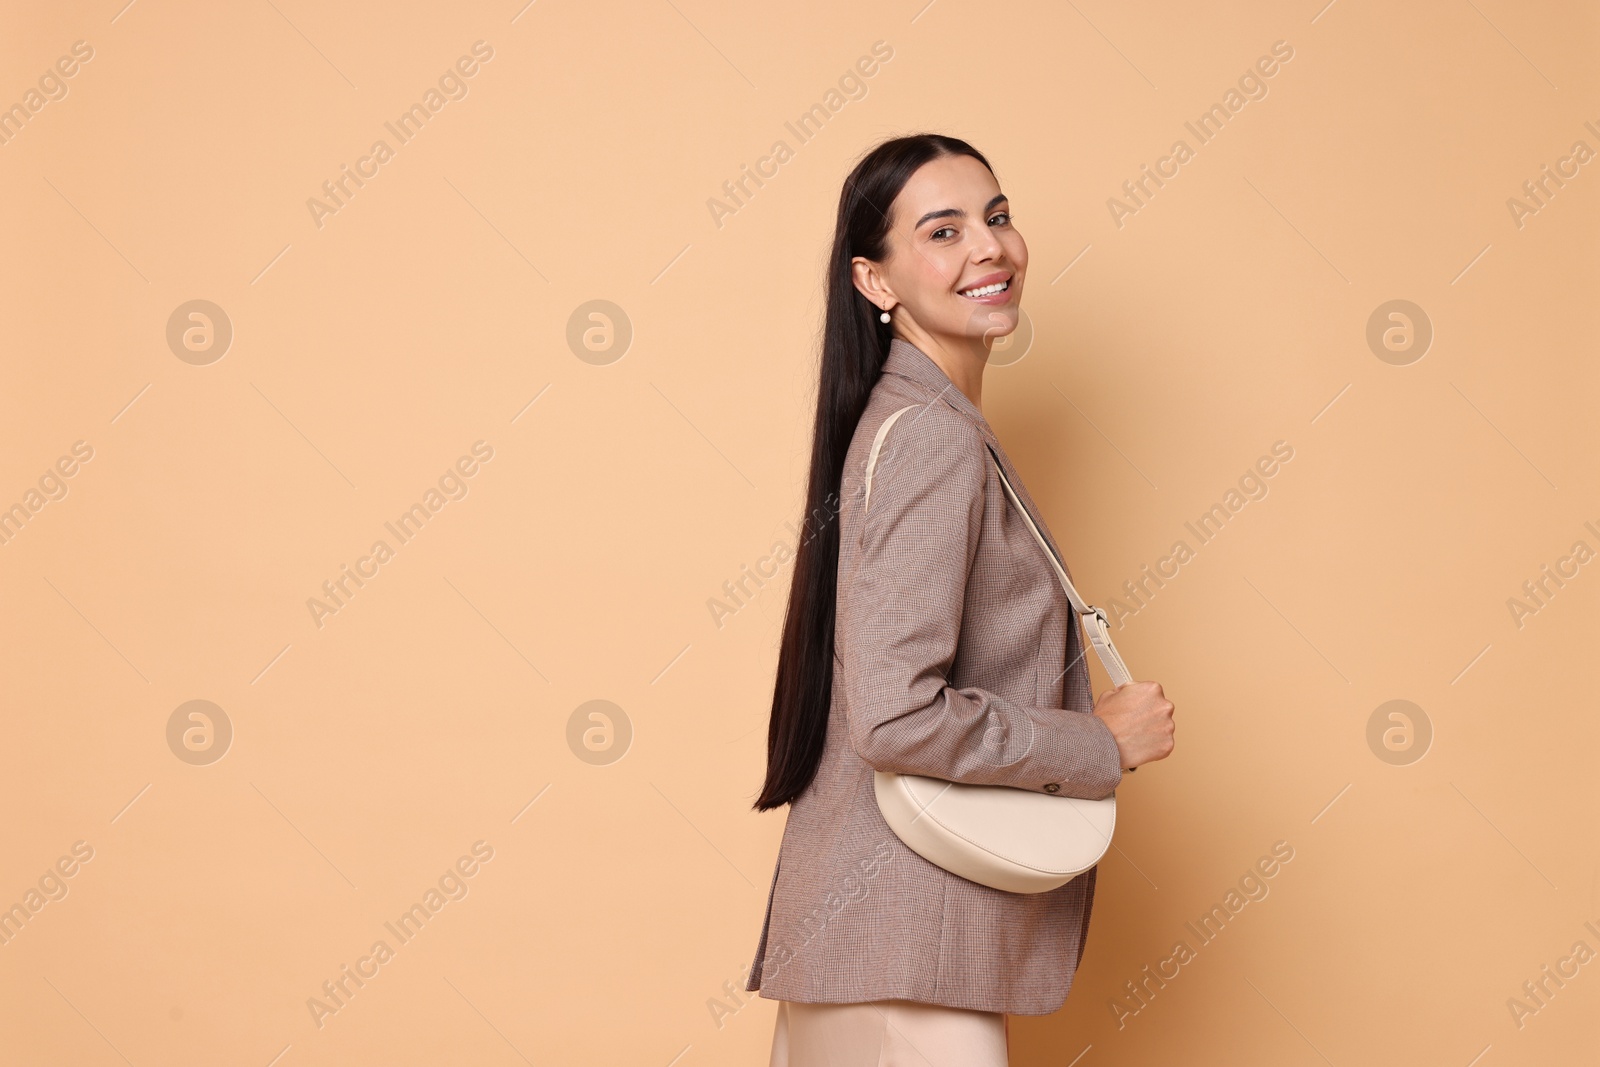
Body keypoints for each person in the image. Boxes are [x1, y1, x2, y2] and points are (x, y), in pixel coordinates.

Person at [745, 133, 1177, 1066]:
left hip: (884, 946)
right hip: (907, 952)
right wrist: (1098, 741)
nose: (989, 248)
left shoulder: (921, 424)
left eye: (997, 216)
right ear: (876, 282)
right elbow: (895, 715)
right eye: (942, 231)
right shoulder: (932, 439)